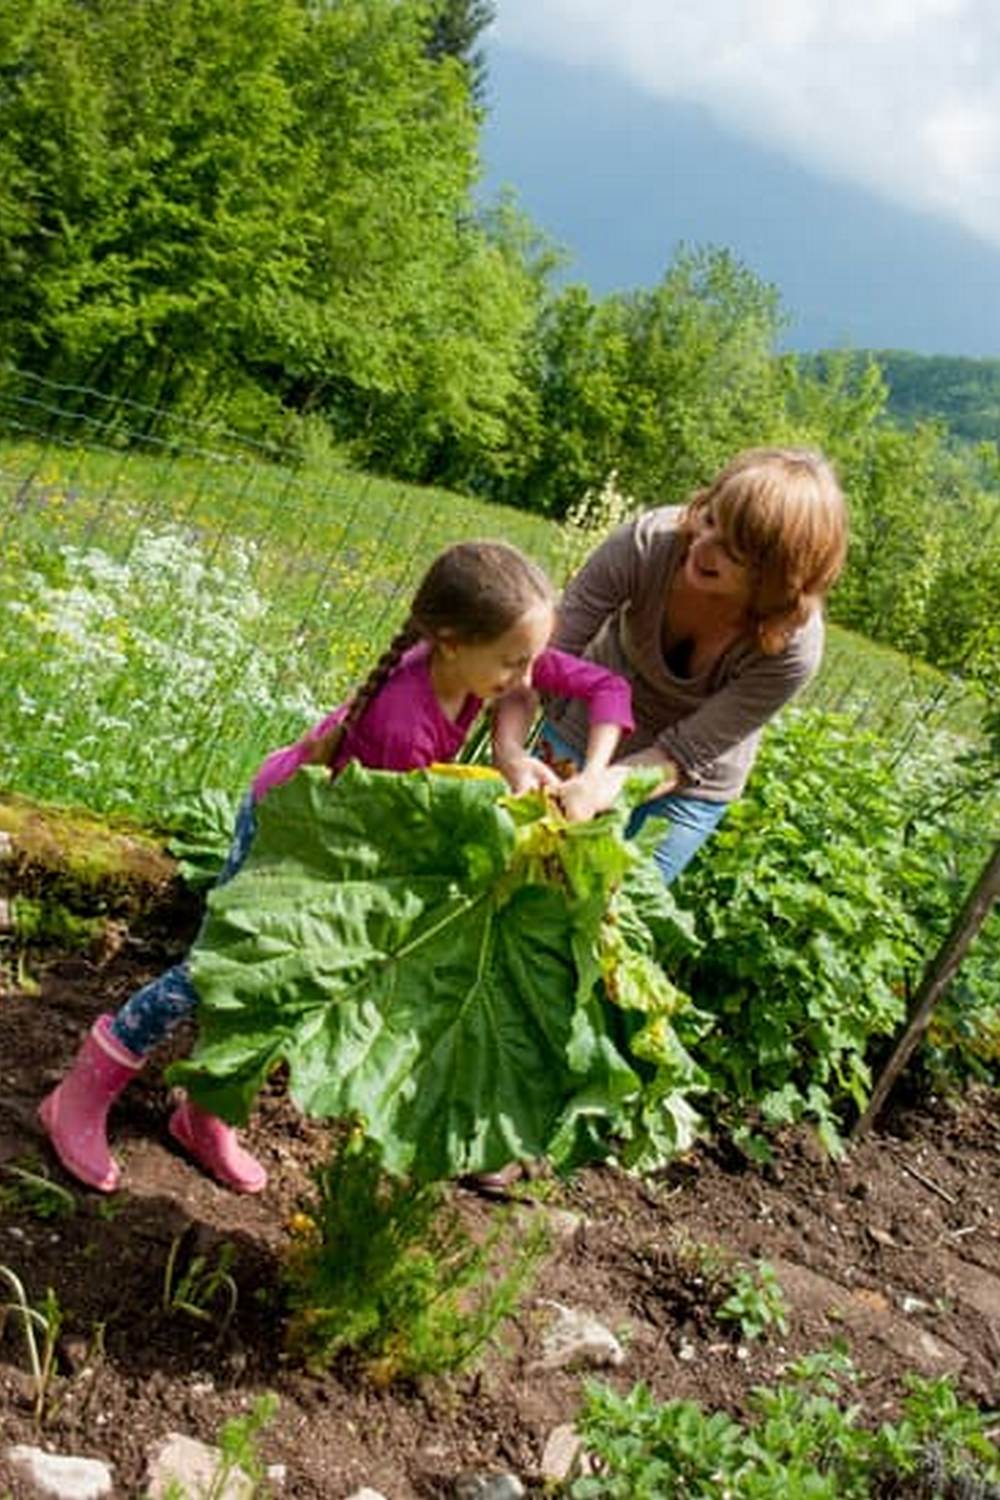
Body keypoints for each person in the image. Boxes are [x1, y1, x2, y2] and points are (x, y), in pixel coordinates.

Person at [39, 541, 634, 1196]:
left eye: (532, 658)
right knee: (217, 975)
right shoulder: (400, 720)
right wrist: (501, 798)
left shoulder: (477, 663)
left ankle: (204, 1116)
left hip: (347, 845)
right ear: (452, 641)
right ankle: (80, 1092)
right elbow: (406, 830)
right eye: (515, 660)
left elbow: (607, 687)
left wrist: (590, 773)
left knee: (289, 987)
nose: (526, 675)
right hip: (290, 838)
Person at [493, 447, 848, 888]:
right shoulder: (648, 543)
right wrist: (508, 750)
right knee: (512, 877)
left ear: (778, 577)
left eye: (732, 552)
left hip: (684, 785)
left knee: (608, 914)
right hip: (586, 727)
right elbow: (540, 660)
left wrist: (602, 786)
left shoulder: (793, 650)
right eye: (711, 519)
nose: (702, 546)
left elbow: (684, 754)